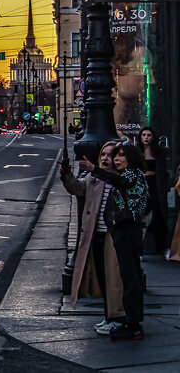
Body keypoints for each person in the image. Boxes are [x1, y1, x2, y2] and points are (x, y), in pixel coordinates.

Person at [78, 142, 149, 341]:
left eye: (121, 156)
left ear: (131, 158)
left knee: (130, 279)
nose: (117, 159)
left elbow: (119, 182)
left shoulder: (132, 175)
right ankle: (130, 322)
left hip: (128, 232)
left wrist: (95, 169)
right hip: (123, 232)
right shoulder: (128, 175)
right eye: (115, 156)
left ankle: (134, 325)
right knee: (127, 278)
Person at [60, 141, 125, 334]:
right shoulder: (93, 178)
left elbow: (115, 181)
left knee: (115, 280)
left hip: (114, 236)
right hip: (96, 234)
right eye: (103, 154)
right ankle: (108, 316)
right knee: (104, 278)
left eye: (110, 155)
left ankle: (118, 318)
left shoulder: (121, 178)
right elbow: (78, 189)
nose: (105, 158)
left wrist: (95, 169)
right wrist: (67, 175)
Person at [138, 127, 169, 254]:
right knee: (139, 218)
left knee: (158, 217)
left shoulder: (158, 152)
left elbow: (163, 171)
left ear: (153, 137)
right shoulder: (136, 152)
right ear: (140, 137)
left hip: (154, 185)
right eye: (144, 135)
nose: (146, 137)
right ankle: (139, 250)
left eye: (149, 135)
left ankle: (163, 247)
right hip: (141, 186)